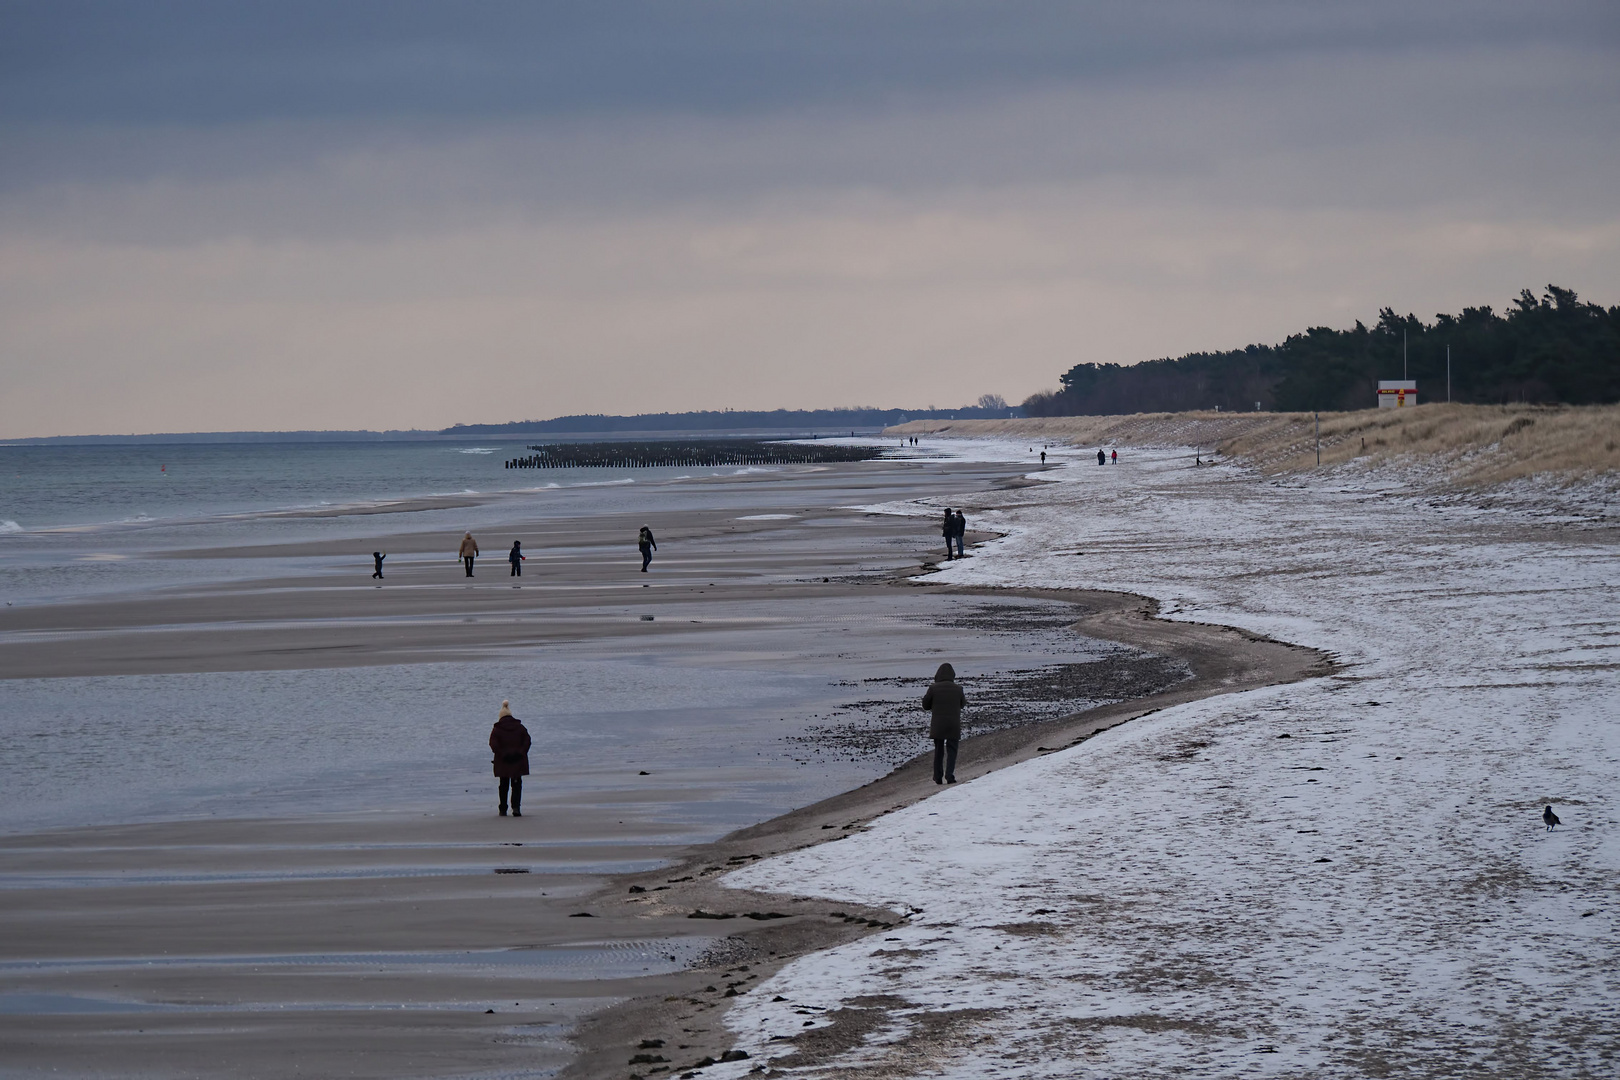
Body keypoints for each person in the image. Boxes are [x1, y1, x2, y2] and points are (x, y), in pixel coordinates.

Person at [921, 662, 966, 784]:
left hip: (938, 725)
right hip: (953, 724)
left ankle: (938, 776)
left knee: (939, 750)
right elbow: (962, 704)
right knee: (952, 750)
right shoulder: (958, 689)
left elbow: (925, 705)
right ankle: (950, 775)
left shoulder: (933, 688)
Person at [489, 700, 531, 817]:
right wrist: (521, 752)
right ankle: (516, 808)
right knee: (516, 784)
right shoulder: (520, 728)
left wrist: (502, 754)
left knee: (503, 785)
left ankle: (503, 809)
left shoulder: (497, 729)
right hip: (518, 760)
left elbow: (493, 744)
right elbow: (527, 741)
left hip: (503, 761)